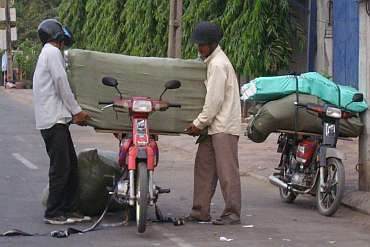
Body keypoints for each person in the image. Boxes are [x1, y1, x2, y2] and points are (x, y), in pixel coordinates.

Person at [33, 19, 91, 225]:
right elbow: (61, 83)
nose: (63, 44)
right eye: (62, 40)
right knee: (61, 168)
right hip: (52, 121)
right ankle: (53, 212)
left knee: (71, 166)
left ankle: (68, 209)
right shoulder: (51, 52)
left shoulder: (48, 53)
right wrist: (77, 111)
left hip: (56, 121)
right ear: (56, 36)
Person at [185, 21, 242, 225]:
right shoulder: (212, 62)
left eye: (202, 44)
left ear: (212, 43)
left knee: (227, 171)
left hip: (223, 126)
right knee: (204, 167)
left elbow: (214, 100)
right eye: (198, 44)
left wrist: (199, 123)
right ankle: (199, 211)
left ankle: (232, 213)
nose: (199, 48)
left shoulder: (218, 64)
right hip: (213, 126)